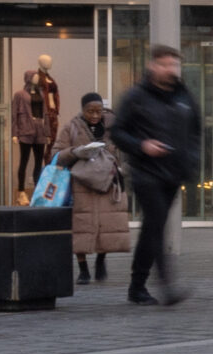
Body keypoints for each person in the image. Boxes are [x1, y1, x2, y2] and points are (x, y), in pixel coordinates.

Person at [109, 46, 199, 306]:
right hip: (146, 173)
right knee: (156, 224)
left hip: (173, 174)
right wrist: (142, 146)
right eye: (165, 64)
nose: (170, 69)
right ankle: (167, 285)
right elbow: (117, 132)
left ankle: (137, 287)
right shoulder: (136, 97)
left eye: (174, 65)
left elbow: (195, 131)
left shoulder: (184, 96)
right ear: (152, 67)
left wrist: (191, 159)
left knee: (152, 228)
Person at [51, 92, 129, 284]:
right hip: (81, 184)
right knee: (81, 226)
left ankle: (101, 260)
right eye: (90, 111)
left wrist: (123, 169)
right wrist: (76, 152)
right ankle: (83, 269)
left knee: (107, 225)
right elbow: (56, 153)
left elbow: (128, 149)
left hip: (108, 182)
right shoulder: (72, 127)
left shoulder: (113, 127)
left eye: (98, 111)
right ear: (82, 110)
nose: (95, 115)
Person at [9, 68, 53, 201]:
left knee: (39, 162)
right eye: (34, 76)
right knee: (24, 161)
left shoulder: (40, 93)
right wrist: (15, 133)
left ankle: (37, 191)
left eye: (37, 76)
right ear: (28, 78)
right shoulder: (19, 95)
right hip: (25, 130)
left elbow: (45, 113)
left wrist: (47, 132)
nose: (37, 78)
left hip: (39, 130)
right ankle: (21, 191)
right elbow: (14, 114)